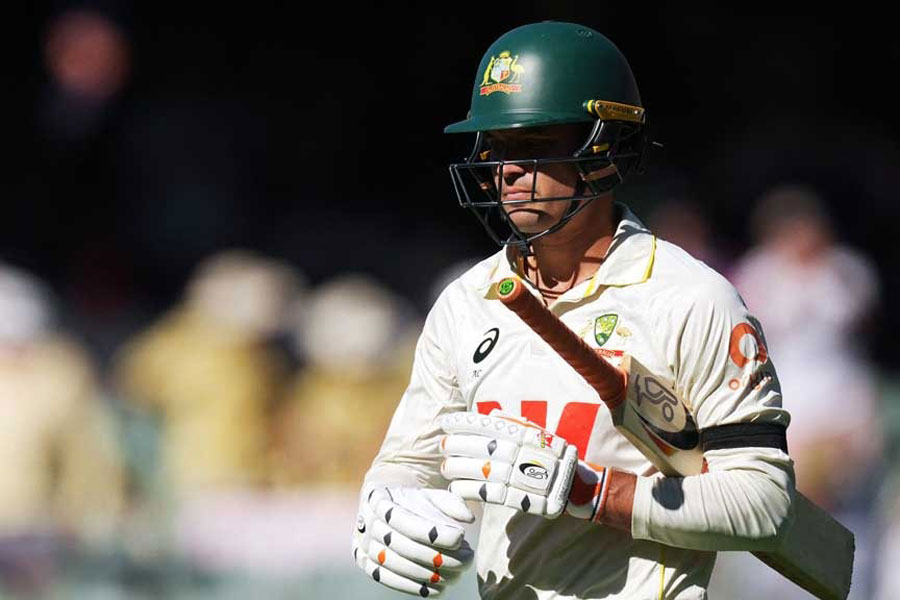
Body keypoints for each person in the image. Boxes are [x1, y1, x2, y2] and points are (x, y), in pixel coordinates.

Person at [353, 22, 794, 599]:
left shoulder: (690, 298)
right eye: (494, 149)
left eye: (533, 145)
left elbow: (764, 503)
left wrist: (590, 493)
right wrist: (384, 505)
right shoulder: (465, 302)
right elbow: (408, 463)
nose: (507, 170)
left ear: (605, 152)